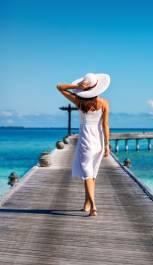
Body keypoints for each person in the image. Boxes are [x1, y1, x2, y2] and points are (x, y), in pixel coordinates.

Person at [56, 73, 111, 217]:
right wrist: (107, 145)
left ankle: (93, 206)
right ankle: (87, 204)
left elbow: (59, 87)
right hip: (98, 140)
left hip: (86, 139)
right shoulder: (104, 103)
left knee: (87, 173)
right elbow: (105, 125)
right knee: (92, 173)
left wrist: (76, 86)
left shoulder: (78, 101)